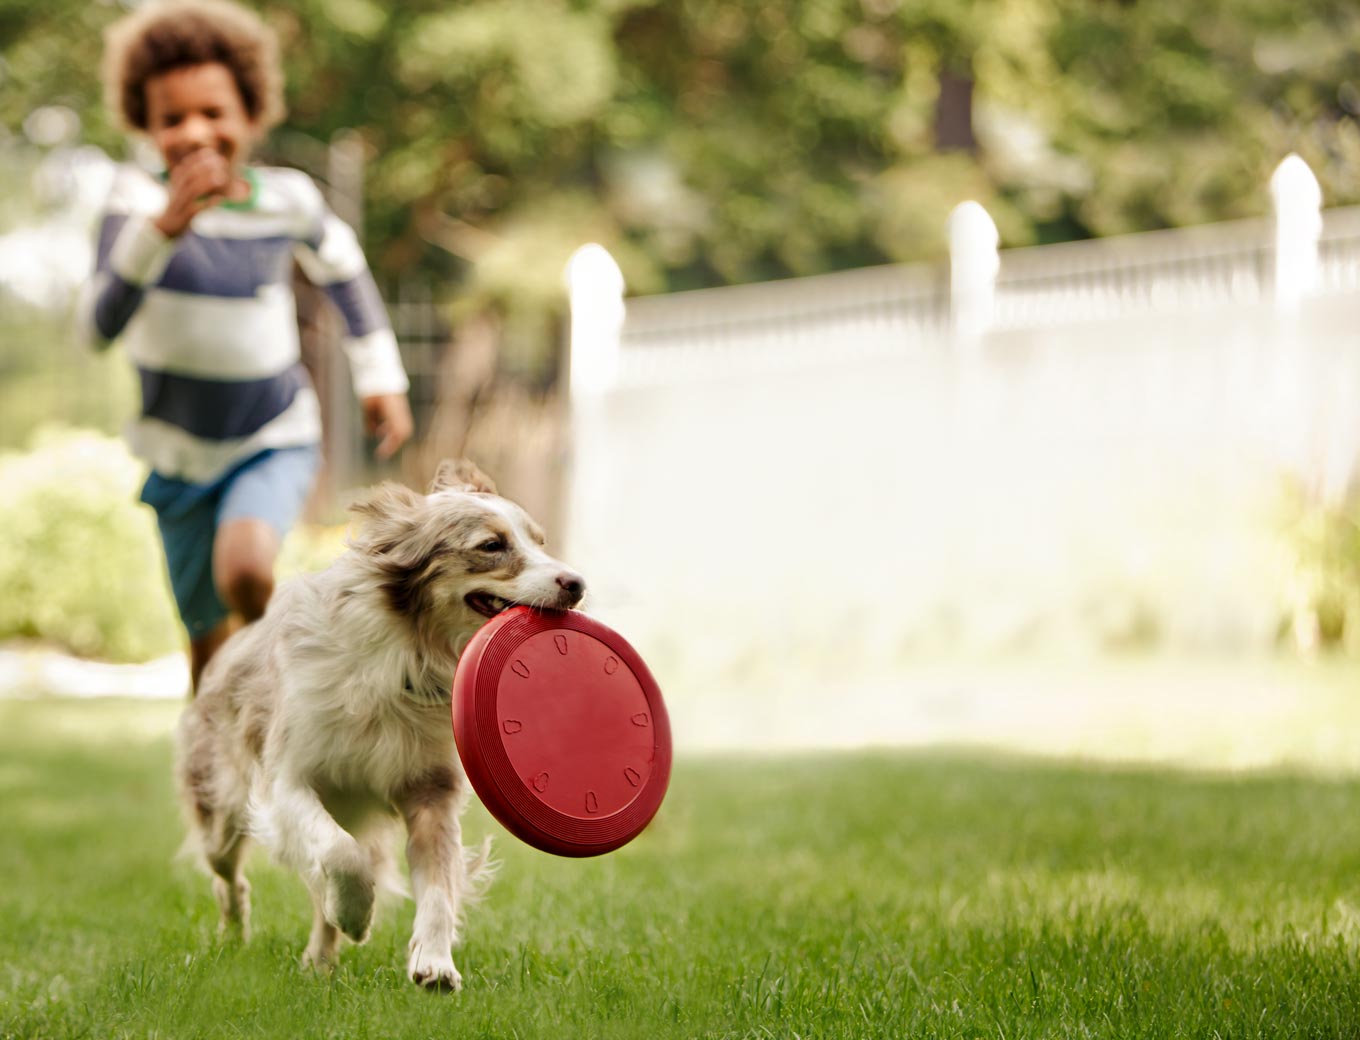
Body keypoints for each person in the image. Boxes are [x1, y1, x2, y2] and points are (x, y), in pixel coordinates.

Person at [81, 0, 413, 691]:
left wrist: (380, 376)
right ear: (145, 126)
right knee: (205, 656)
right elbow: (98, 326)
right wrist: (163, 230)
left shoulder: (286, 199)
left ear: (251, 115)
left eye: (214, 113)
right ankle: (223, 772)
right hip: (176, 455)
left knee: (246, 571)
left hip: (271, 430)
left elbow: (345, 275)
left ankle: (286, 691)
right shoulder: (132, 204)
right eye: (172, 119)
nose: (195, 132)